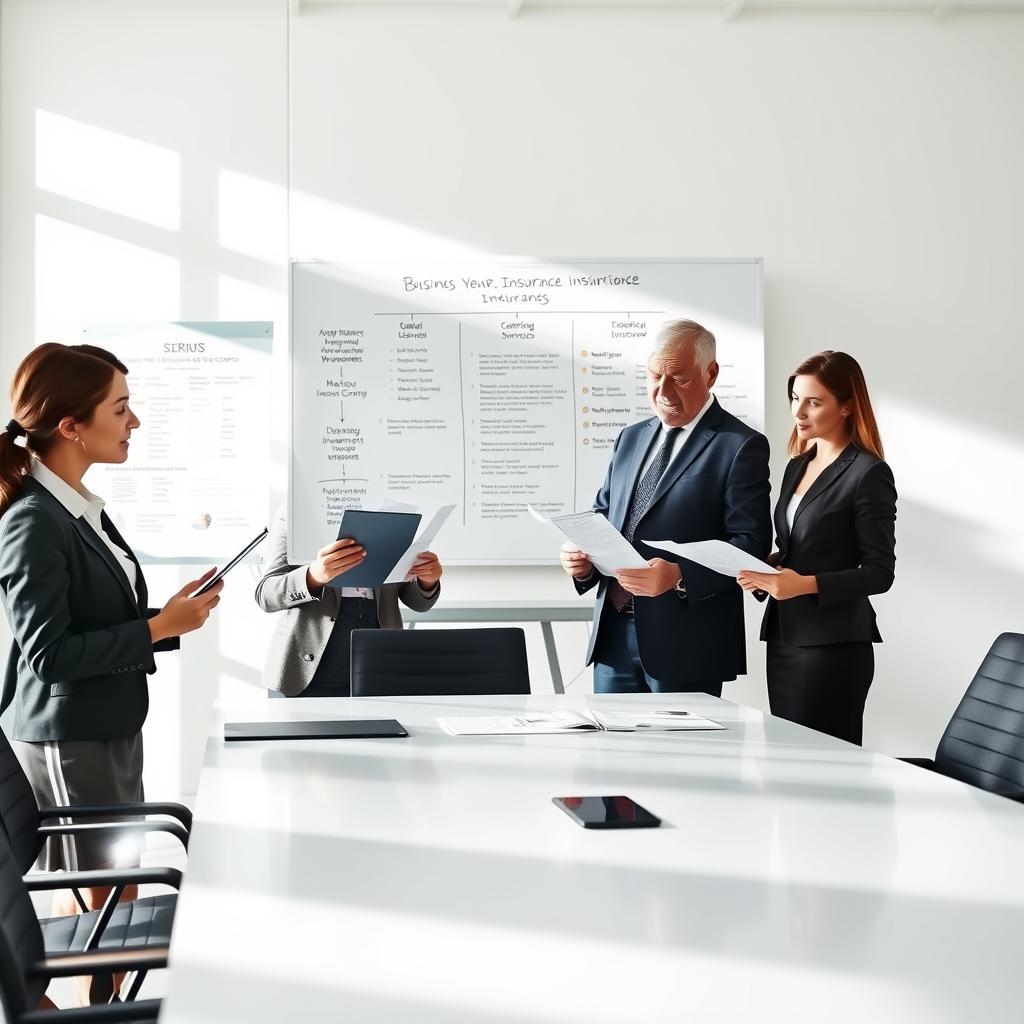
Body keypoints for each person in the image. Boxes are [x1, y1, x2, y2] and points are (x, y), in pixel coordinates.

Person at [0, 342, 222, 1003]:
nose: (135, 422)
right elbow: (49, 655)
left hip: (109, 727)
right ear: (71, 425)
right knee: (104, 908)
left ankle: (92, 1009)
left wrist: (169, 618)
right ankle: (79, 1013)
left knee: (107, 904)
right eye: (120, 408)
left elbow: (95, 620)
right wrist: (159, 629)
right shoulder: (33, 521)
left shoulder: (77, 506)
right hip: (71, 736)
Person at [560, 319, 771, 696]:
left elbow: (751, 545)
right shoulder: (631, 437)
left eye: (680, 378)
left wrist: (679, 576)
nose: (663, 391)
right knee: (612, 755)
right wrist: (582, 560)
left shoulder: (739, 445)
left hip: (688, 644)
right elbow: (603, 518)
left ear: (711, 374)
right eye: (655, 376)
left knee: (684, 755)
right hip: (613, 637)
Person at [737, 350, 896, 745]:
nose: (799, 411)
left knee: (824, 768)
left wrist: (802, 584)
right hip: (785, 638)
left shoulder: (868, 473)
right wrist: (769, 569)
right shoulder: (798, 464)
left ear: (846, 406)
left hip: (833, 647)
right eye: (794, 398)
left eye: (813, 401)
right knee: (788, 761)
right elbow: (799, 547)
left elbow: (879, 572)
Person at [256, 506, 442, 696]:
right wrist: (312, 577)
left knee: (383, 725)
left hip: (381, 665)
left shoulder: (394, 513)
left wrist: (427, 581)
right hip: (306, 669)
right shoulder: (294, 510)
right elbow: (266, 595)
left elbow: (419, 603)